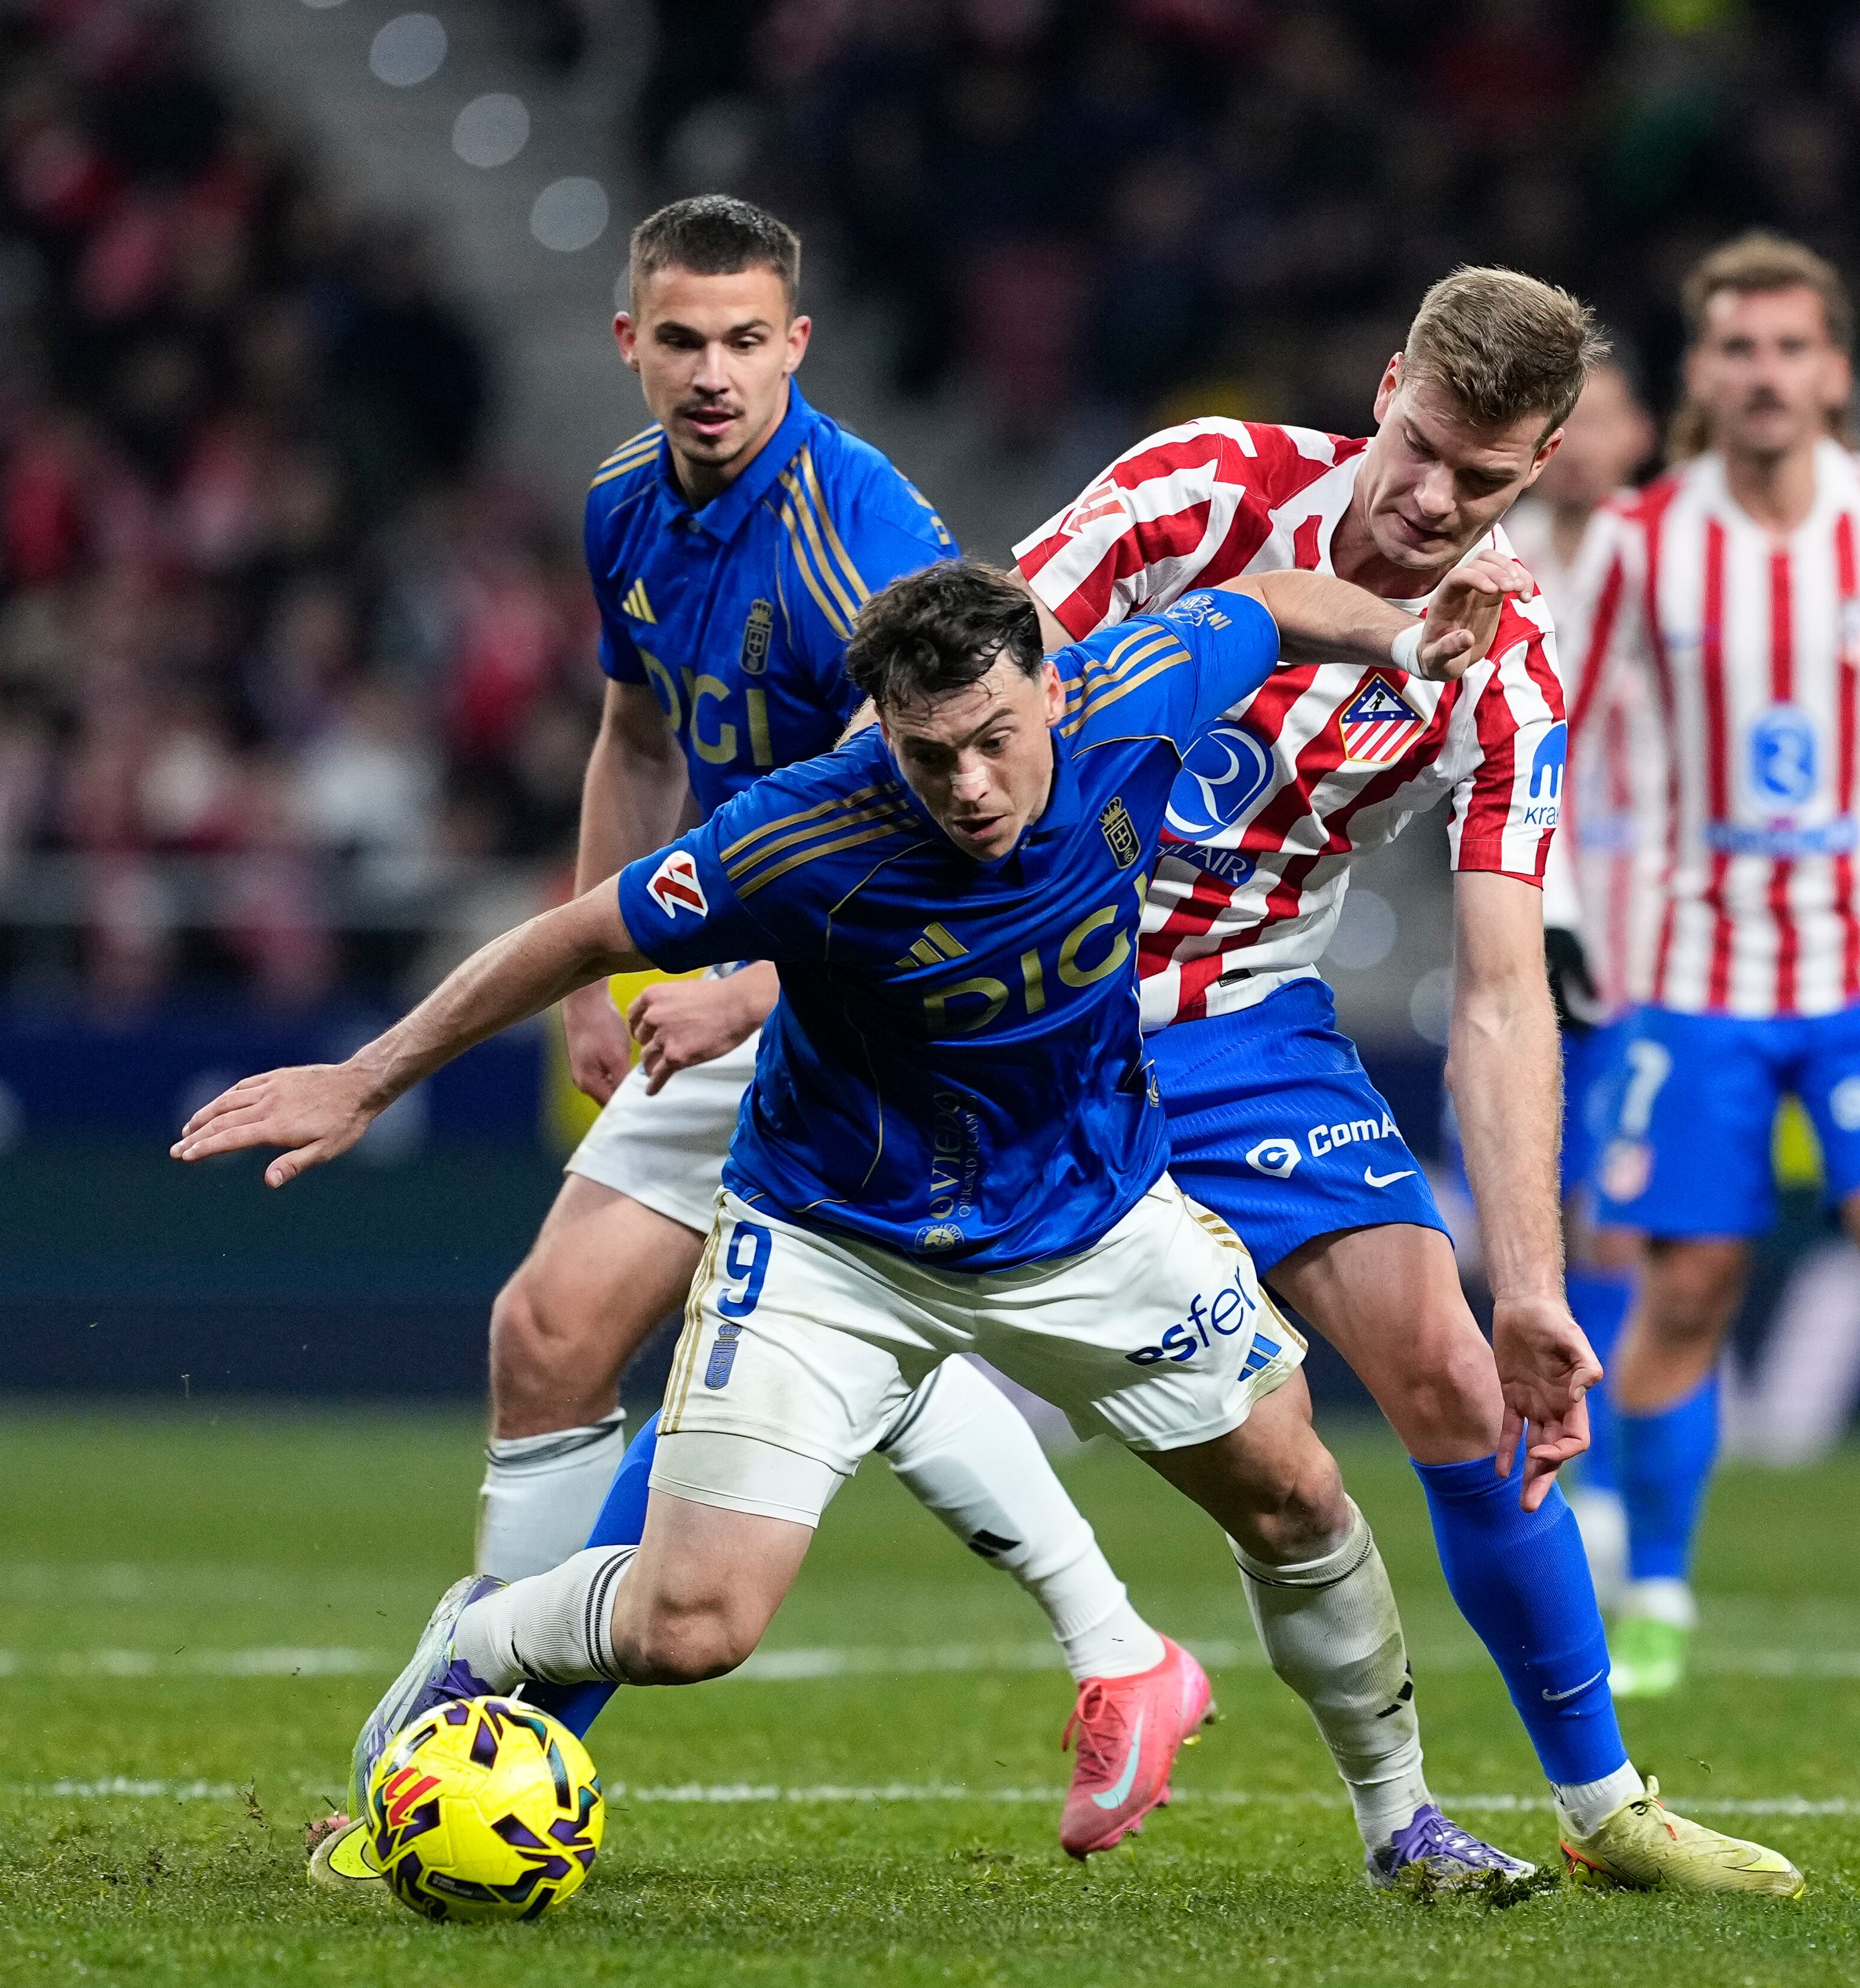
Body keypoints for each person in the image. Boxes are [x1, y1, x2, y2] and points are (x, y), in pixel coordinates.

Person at [181, 556, 1617, 1892]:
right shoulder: (802, 831)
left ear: (1055, 685)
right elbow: (578, 935)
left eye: (994, 735)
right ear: (882, 727)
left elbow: (1262, 598)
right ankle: (476, 1637)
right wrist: (364, 1079)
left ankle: (1401, 1824)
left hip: (1094, 1218)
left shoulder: (1140, 686)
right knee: (695, 1626)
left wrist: (1402, 632)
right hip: (833, 1241)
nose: (970, 783)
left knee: (1298, 1494)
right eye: (929, 751)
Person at [1005, 267, 1799, 1892]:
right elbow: (963, 682)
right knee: (777, 1349)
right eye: (1421, 446)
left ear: (1546, 464)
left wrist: (1535, 1285)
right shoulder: (1195, 486)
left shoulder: (1507, 668)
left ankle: (1607, 1803)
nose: (1435, 498)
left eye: (1485, 476)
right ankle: (504, 1697)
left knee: (1455, 1365)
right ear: (1384, 388)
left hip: (1239, 1025)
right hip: (1015, 997)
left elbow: (1507, 992)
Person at [464, 195, 1180, 1844]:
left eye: (746, 341)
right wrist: (614, 974)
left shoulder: (864, 550)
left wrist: (752, 983)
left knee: (832, 1304)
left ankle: (474, 1713)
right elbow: (637, 737)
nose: (713, 375)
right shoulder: (623, 507)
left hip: (871, 999)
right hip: (732, 991)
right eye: (682, 341)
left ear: (798, 343)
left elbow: (956, 823)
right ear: (630, 343)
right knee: (549, 1333)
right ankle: (491, 1729)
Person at [1556, 233, 1860, 1698]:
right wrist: (1567, 902)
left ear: (1833, 370)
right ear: (1699, 371)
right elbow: (1557, 727)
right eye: (1736, 349)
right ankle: (1655, 1591)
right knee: (1689, 1280)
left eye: (1790, 349)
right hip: (1697, 972)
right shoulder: (1646, 538)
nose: (1764, 375)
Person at [1501, 353, 1664, 1598]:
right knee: (1538, 1197)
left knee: (1613, 1206)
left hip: (1654, 928)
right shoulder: (1493, 556)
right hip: (1517, 914)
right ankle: (1550, 1467)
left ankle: (1604, 1488)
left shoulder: (1673, 562)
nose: (1580, 439)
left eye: (1600, 416)